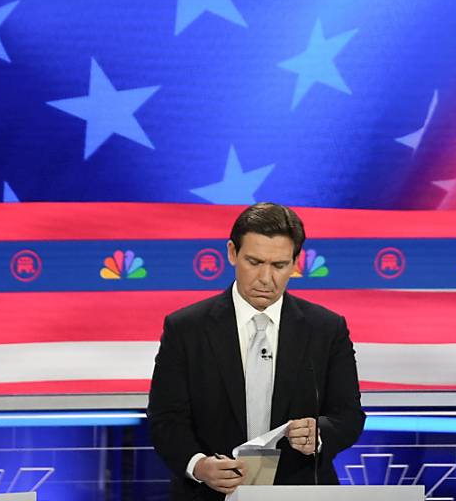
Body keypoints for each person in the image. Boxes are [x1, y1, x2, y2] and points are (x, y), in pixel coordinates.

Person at [148, 202, 365, 500]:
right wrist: (198, 466)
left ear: (296, 263)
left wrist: (319, 434)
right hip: (209, 493)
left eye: (279, 266)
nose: (266, 278)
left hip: (302, 490)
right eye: (254, 262)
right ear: (232, 253)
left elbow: (349, 416)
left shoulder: (326, 329)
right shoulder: (186, 328)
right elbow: (165, 419)